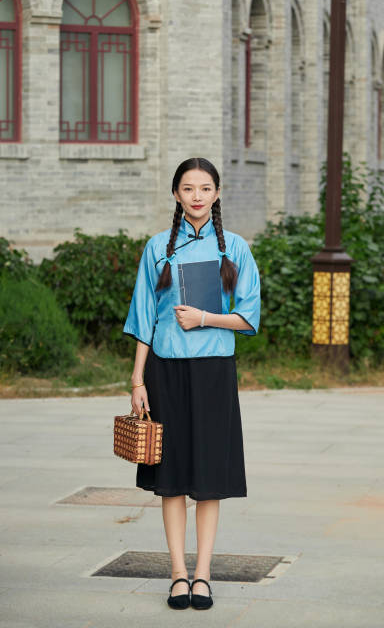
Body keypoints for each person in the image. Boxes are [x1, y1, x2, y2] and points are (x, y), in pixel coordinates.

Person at [123, 157, 260, 611]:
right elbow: (144, 317)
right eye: (188, 188)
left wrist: (205, 318)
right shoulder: (157, 247)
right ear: (176, 195)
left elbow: (248, 317)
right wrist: (137, 379)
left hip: (214, 371)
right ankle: (177, 574)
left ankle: (203, 575)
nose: (197, 196)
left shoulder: (235, 249)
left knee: (209, 476)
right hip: (165, 371)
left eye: (205, 188)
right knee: (172, 477)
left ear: (217, 194)